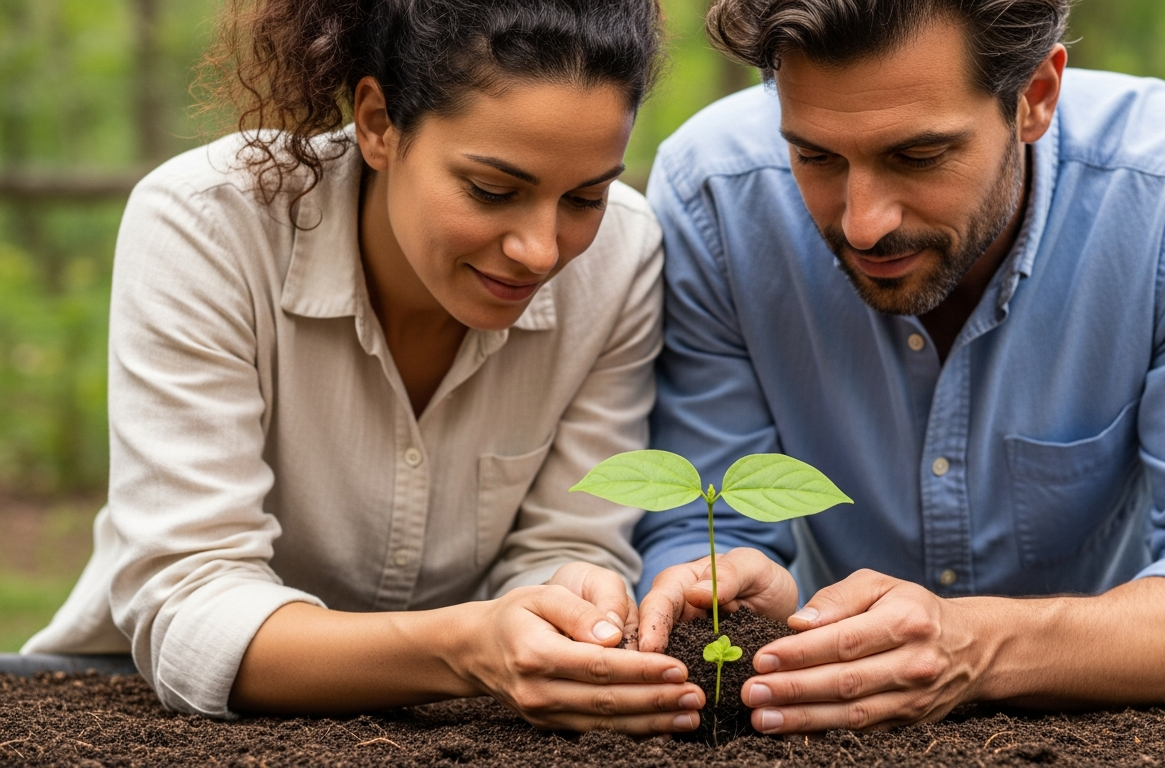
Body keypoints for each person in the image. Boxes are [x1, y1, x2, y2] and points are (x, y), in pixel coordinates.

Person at [634, 0, 1165, 734]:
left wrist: (978, 646)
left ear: (1035, 96)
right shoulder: (714, 197)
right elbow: (697, 527)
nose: (862, 222)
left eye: (918, 155)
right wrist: (734, 597)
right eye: (816, 156)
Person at [24, 0, 708, 734]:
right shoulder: (208, 226)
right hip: (133, 703)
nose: (542, 250)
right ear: (379, 124)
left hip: (468, 718)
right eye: (492, 191)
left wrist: (571, 609)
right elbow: (192, 604)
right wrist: (465, 648)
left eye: (585, 196)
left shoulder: (620, 260)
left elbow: (568, 544)